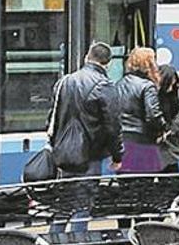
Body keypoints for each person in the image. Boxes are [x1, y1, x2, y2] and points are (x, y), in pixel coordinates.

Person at [48, 43, 123, 233]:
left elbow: (53, 118)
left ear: (86, 58)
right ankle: (77, 240)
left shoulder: (65, 81)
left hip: (63, 154)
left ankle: (52, 239)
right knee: (82, 207)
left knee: (63, 207)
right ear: (108, 63)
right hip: (90, 155)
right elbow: (112, 126)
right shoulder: (104, 85)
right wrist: (117, 156)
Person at [115, 47, 167, 173]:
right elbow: (153, 115)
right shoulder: (147, 86)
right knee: (144, 186)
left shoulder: (119, 84)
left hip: (122, 140)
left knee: (126, 185)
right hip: (143, 140)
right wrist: (162, 129)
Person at [157, 65, 179, 173]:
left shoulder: (173, 95)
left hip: (169, 142)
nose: (172, 87)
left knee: (171, 175)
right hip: (158, 142)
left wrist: (173, 128)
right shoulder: (152, 95)